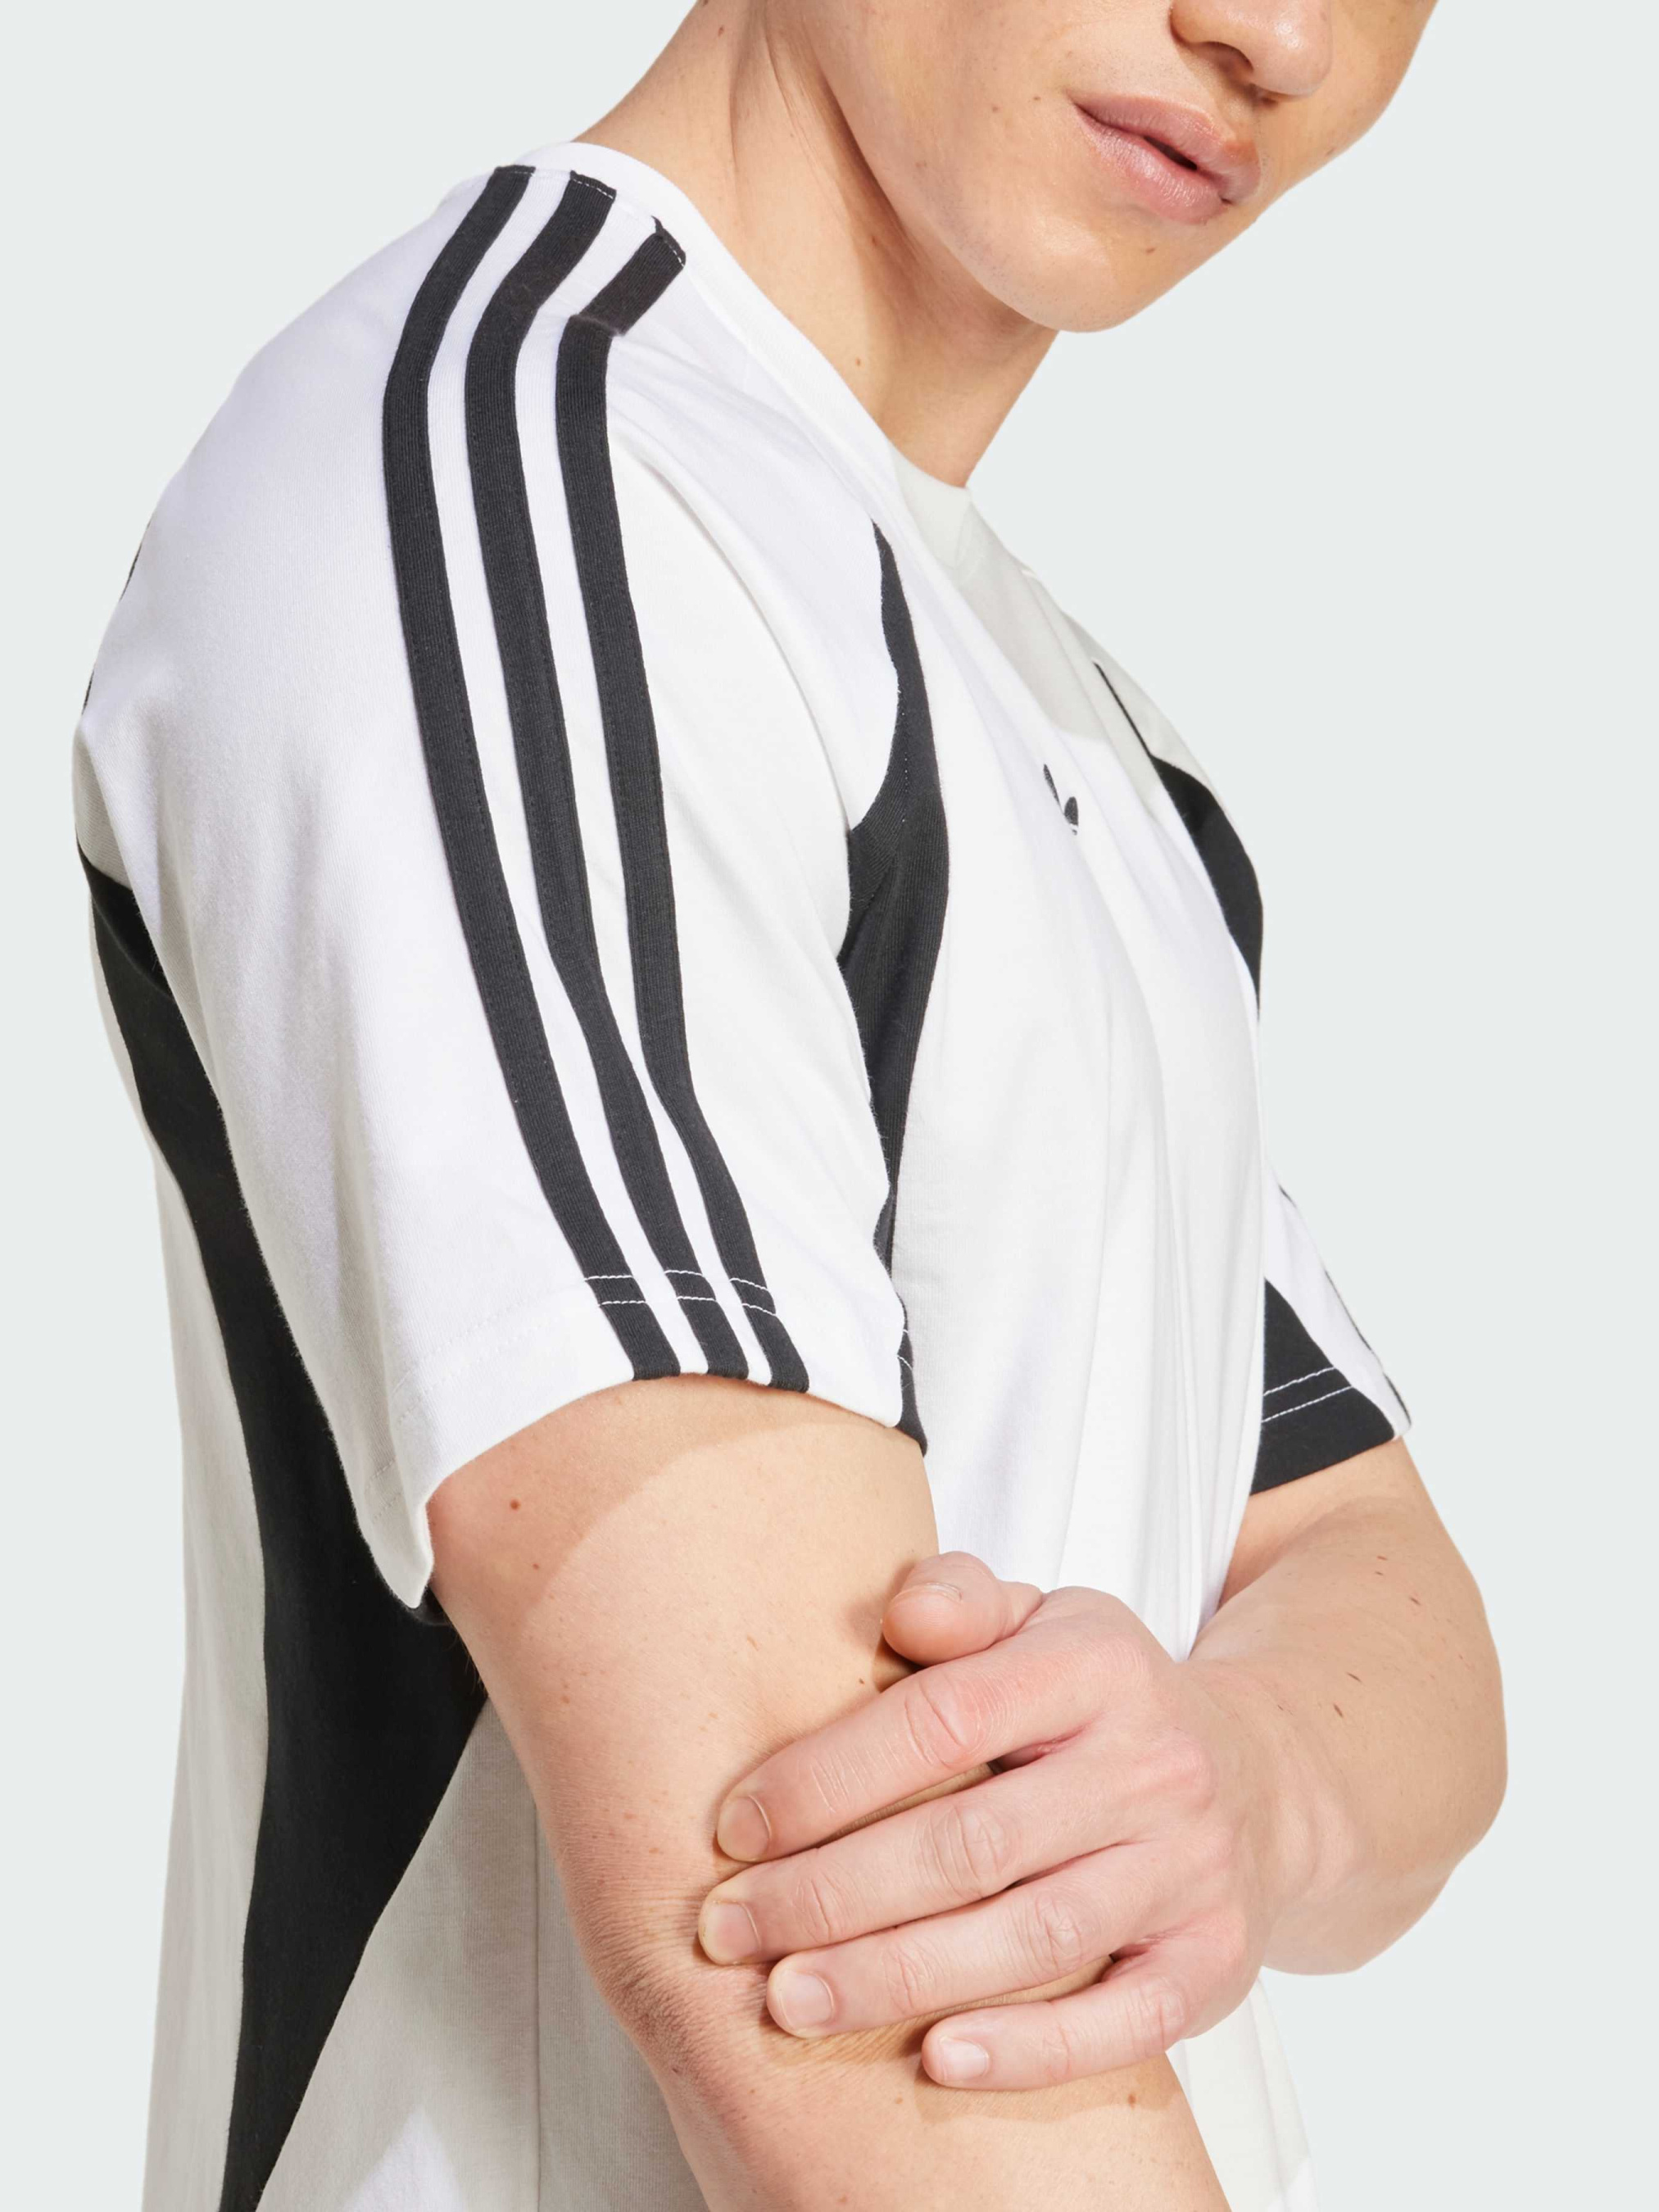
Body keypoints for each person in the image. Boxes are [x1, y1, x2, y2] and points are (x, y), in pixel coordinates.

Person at [71, 2, 1505, 2207]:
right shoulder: (524, 492)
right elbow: (816, 1984)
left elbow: (1368, 1584)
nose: (1277, 33)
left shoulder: (1084, 732)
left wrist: (1229, 1761)